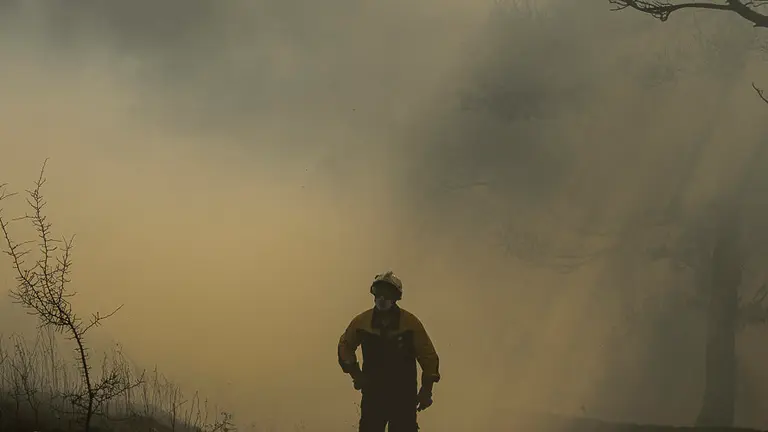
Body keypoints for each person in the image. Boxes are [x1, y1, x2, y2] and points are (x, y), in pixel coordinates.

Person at [337, 270, 441, 432]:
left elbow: (428, 357)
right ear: (373, 293)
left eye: (387, 293)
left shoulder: (410, 323)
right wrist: (356, 374)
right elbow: (345, 346)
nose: (382, 298)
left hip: (403, 396)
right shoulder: (362, 322)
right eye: (379, 293)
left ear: (396, 297)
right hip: (373, 393)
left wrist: (426, 390)